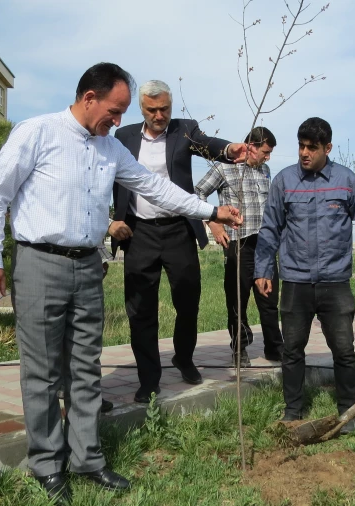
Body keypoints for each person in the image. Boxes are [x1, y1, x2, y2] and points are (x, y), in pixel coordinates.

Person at [0, 63, 242, 504]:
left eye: (121, 114)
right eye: (115, 111)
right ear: (89, 98)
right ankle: (46, 464)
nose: (118, 122)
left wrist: (210, 212)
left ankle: (87, 458)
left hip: (88, 266)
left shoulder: (109, 149)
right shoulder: (36, 133)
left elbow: (156, 189)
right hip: (40, 262)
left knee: (84, 367)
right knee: (41, 371)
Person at [109, 80, 250, 403]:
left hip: (177, 231)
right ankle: (148, 379)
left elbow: (206, 144)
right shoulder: (124, 136)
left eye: (165, 109)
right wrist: (113, 219)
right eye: (152, 110)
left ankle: (183, 357)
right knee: (141, 309)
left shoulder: (183, 129)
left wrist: (229, 150)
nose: (159, 115)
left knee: (188, 300)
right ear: (141, 109)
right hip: (138, 232)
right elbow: (110, 175)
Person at [254, 117, 355, 434]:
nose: (304, 153)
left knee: (343, 350)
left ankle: (347, 413)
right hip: (295, 282)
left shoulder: (346, 181)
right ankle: (293, 411)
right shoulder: (283, 181)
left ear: (327, 148)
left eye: (312, 147)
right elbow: (270, 229)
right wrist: (263, 268)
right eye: (301, 146)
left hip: (335, 283)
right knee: (292, 350)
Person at [195, 126, 285, 367]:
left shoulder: (265, 170)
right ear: (251, 147)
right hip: (238, 244)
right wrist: (212, 221)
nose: (268, 157)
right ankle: (240, 349)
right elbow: (197, 192)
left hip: (265, 244)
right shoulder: (225, 167)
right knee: (238, 300)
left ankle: (274, 347)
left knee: (269, 298)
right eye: (265, 151)